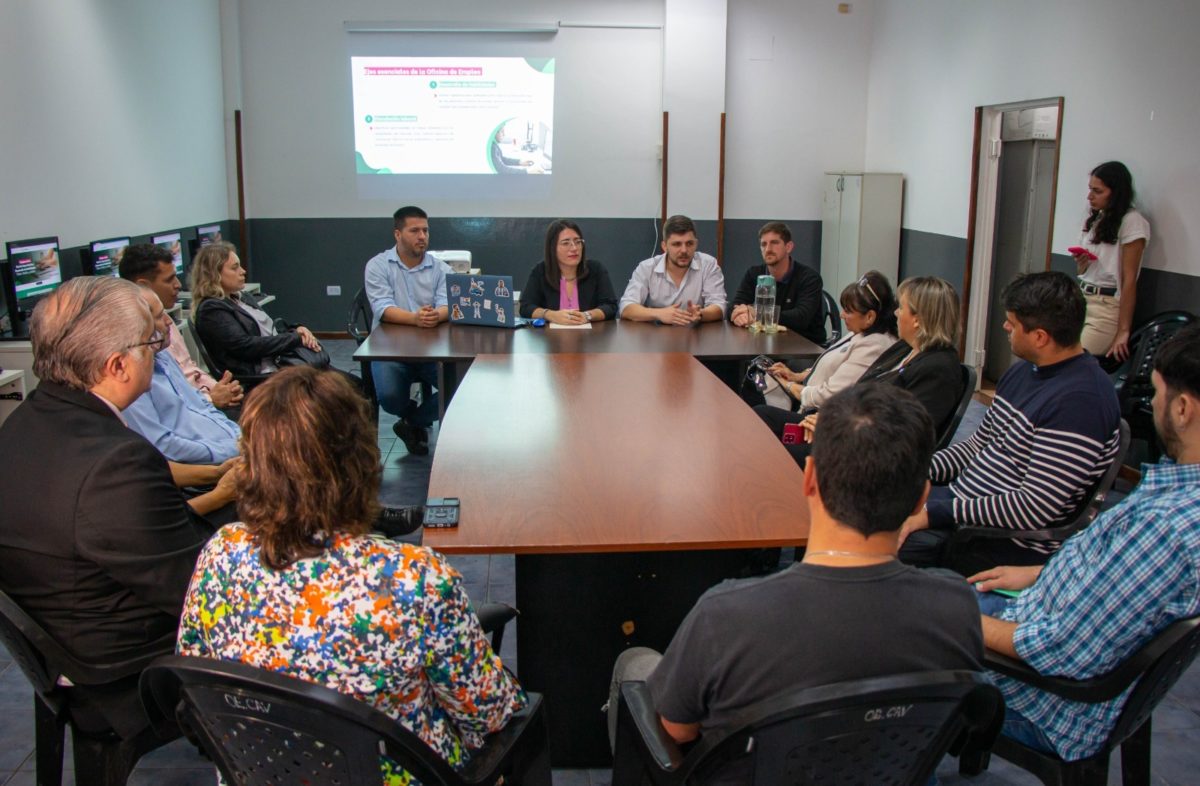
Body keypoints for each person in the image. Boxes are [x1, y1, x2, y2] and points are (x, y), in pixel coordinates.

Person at [605, 385, 982, 783]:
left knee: (634, 664)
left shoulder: (726, 614)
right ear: (922, 497)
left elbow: (678, 731)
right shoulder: (958, 607)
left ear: (809, 478)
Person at [177, 366, 526, 782]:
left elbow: (195, 678)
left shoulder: (220, 553)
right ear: (360, 461)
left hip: (260, 771)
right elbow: (489, 714)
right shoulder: (414, 579)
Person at [0, 276, 231, 744]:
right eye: (151, 343)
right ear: (118, 365)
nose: (158, 351)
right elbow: (194, 594)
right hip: (124, 672)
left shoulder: (25, 420)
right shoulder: (117, 461)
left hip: (72, 632)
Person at [967, 322, 1200, 762]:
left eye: (1157, 395)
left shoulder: (1165, 529)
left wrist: (951, 616)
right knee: (925, 593)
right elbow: (1112, 571)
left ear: (1184, 407)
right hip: (1045, 617)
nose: (1152, 407)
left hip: (1048, 703)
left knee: (887, 634)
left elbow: (1062, 651)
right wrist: (1040, 571)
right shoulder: (1180, 492)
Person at [898, 272, 1122, 575]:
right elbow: (976, 448)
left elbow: (1032, 507)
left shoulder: (1081, 402)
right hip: (960, 507)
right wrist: (907, 469)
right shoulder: (1023, 372)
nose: (1004, 327)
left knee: (871, 551)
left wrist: (935, 513)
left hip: (999, 540)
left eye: (1012, 323)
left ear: (1040, 337)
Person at [760, 276, 964, 463]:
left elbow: (904, 434)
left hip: (862, 455)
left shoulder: (939, 369)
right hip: (845, 428)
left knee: (771, 456)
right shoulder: (905, 348)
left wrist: (837, 426)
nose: (895, 313)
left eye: (901, 308)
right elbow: (862, 391)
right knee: (763, 416)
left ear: (918, 319)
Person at [364, 205, 451, 456]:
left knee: (457, 391)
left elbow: (448, 305)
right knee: (390, 398)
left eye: (425, 230)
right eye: (414, 231)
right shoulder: (378, 266)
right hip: (390, 350)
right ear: (397, 234)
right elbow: (383, 308)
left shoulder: (439, 268)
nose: (422, 236)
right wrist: (416, 319)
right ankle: (415, 419)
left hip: (432, 349)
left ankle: (413, 422)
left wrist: (436, 314)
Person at [747, 270, 898, 413]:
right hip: (809, 398)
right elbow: (831, 372)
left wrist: (789, 386)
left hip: (819, 416)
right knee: (756, 382)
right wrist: (796, 375)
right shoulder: (861, 333)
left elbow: (830, 395)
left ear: (870, 317)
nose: (841, 315)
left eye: (848, 311)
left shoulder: (874, 346)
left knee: (761, 410)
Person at [118, 242, 243, 410]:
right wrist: (210, 398)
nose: (178, 284)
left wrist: (219, 388)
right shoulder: (141, 340)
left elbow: (190, 368)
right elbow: (170, 399)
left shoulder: (166, 318)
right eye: (169, 279)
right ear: (144, 285)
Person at [124, 288, 241, 464]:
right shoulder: (130, 380)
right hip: (209, 468)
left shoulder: (163, 356)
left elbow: (202, 407)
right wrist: (235, 449)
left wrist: (240, 436)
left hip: (229, 448)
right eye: (158, 316)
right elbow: (164, 448)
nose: (168, 321)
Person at [192, 241, 324, 379]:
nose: (243, 271)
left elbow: (269, 332)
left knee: (339, 379)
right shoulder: (211, 310)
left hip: (278, 363)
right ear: (214, 274)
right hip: (262, 376)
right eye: (234, 268)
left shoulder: (241, 297)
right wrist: (295, 337)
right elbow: (246, 346)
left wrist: (297, 330)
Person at [1072, 161, 1149, 363]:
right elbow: (1085, 271)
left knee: (1075, 360)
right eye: (1090, 189)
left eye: (1098, 191)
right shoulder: (1095, 219)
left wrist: (1123, 330)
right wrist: (1082, 262)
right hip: (1083, 298)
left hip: (1107, 306)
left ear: (1116, 193)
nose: (1090, 197)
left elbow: (1129, 280)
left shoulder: (1132, 221)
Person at [727, 221, 826, 344]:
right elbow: (733, 306)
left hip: (803, 347)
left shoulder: (809, 278)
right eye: (764, 244)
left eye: (774, 243)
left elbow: (801, 317)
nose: (768, 249)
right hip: (765, 343)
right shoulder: (753, 273)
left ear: (788, 247)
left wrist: (756, 313)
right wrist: (739, 315)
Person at [618, 215, 726, 324]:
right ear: (664, 246)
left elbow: (719, 306)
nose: (684, 250)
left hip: (696, 334)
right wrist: (659, 313)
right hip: (656, 335)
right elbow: (626, 307)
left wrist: (700, 314)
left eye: (689, 243)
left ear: (696, 244)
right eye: (677, 244)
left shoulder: (708, 264)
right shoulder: (647, 268)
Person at [519, 219, 618, 325]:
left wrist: (587, 315)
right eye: (566, 243)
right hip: (550, 338)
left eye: (577, 242)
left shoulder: (596, 269)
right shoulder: (541, 271)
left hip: (590, 338)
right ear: (552, 248)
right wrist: (550, 314)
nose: (574, 248)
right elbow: (526, 307)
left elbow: (610, 306)